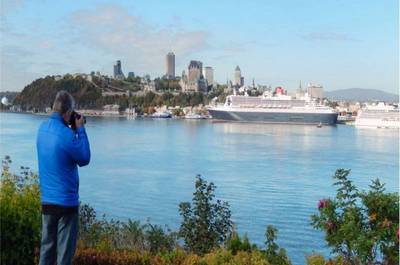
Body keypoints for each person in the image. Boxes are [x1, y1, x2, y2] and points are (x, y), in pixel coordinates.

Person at [37, 90, 90, 265]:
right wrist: (80, 130)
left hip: (47, 202)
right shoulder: (67, 135)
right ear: (67, 113)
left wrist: (70, 128)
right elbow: (84, 158)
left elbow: (59, 148)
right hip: (66, 204)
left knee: (46, 252)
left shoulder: (41, 129)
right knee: (63, 258)